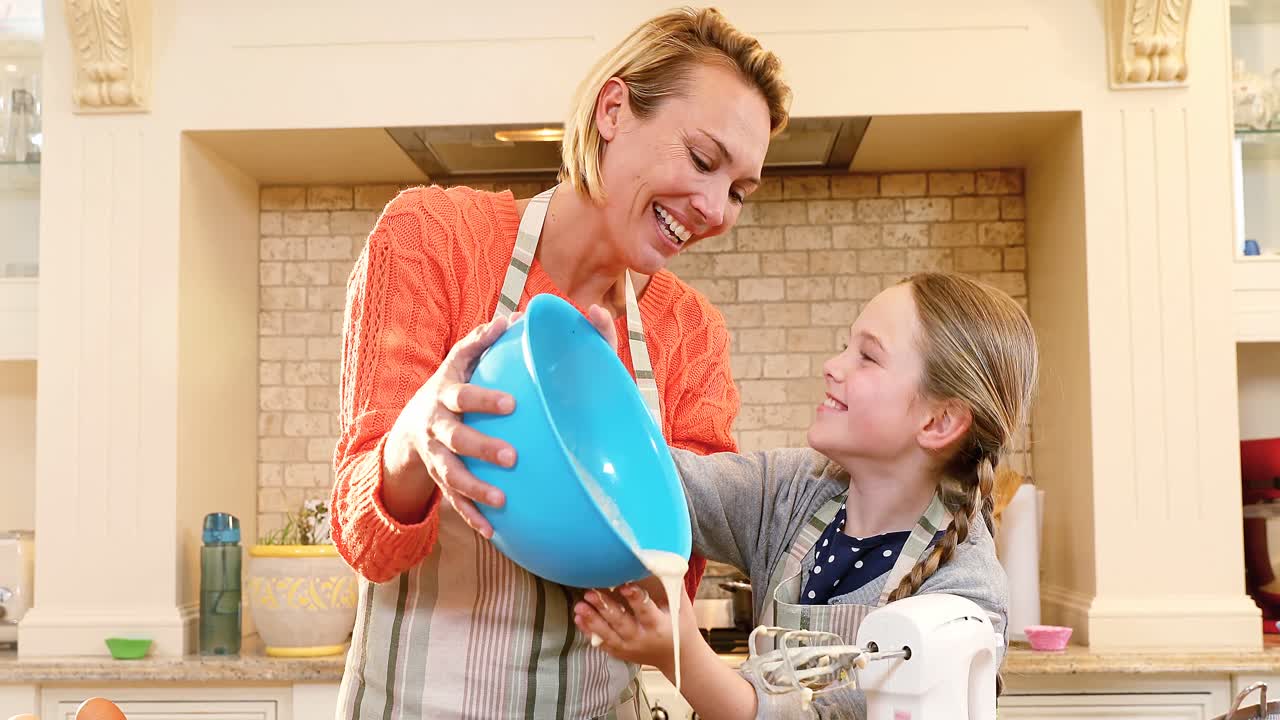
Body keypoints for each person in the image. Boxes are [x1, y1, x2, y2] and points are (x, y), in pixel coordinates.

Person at [328, 7, 791, 718]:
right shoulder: (435, 241)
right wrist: (414, 439)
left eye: (738, 191)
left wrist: (616, 446)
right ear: (613, 109)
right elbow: (366, 545)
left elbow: (677, 579)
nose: (714, 208)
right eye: (703, 160)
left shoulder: (689, 333)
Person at [573, 273, 1037, 719]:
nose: (831, 366)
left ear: (939, 422)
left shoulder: (964, 597)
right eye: (845, 346)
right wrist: (595, 402)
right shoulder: (794, 487)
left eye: (868, 357)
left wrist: (682, 654)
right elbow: (658, 484)